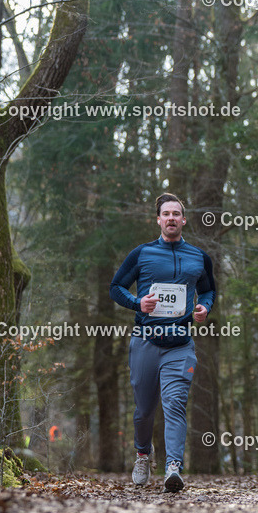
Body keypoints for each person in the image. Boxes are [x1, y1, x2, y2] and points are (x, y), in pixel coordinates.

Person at [110, 193, 216, 492]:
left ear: (184, 220)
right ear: (158, 220)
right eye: (166, 214)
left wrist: (205, 307)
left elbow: (208, 291)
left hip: (180, 346)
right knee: (144, 410)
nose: (171, 218)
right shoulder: (142, 254)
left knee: (174, 404)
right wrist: (136, 302)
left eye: (176, 214)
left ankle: (173, 467)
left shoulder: (198, 256)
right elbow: (116, 287)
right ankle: (143, 454)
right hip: (145, 342)